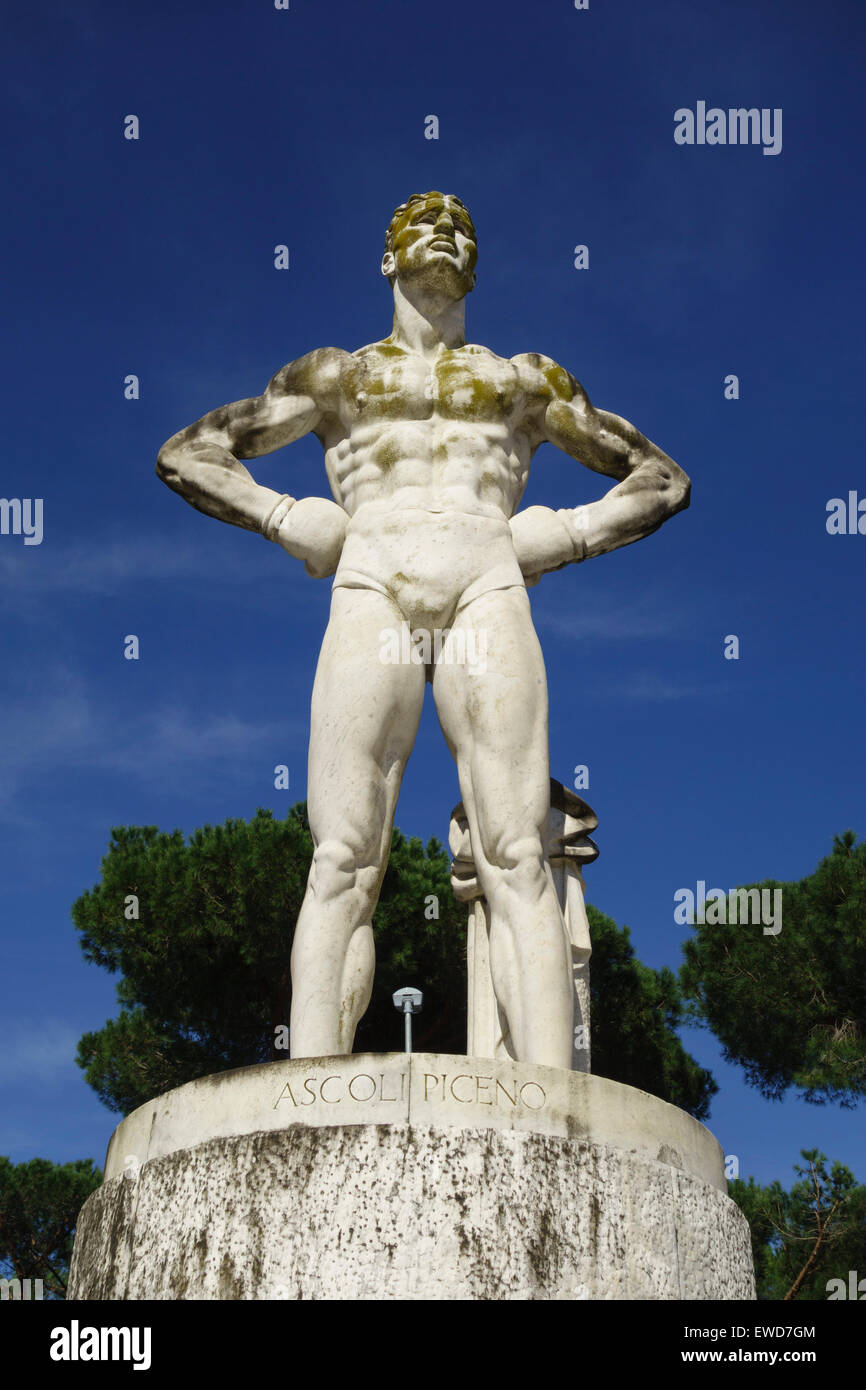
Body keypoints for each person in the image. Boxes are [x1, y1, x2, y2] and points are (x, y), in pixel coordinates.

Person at [156, 191, 690, 1068]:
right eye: (424, 220)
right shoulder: (338, 375)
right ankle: (311, 1089)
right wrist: (284, 514)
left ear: (477, 261)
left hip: (488, 580)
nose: (446, 229)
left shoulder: (525, 380)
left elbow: (659, 479)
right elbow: (189, 453)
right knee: (341, 857)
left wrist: (562, 534)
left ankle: (550, 1094)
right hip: (372, 578)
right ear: (388, 255)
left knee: (519, 852)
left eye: (464, 225)